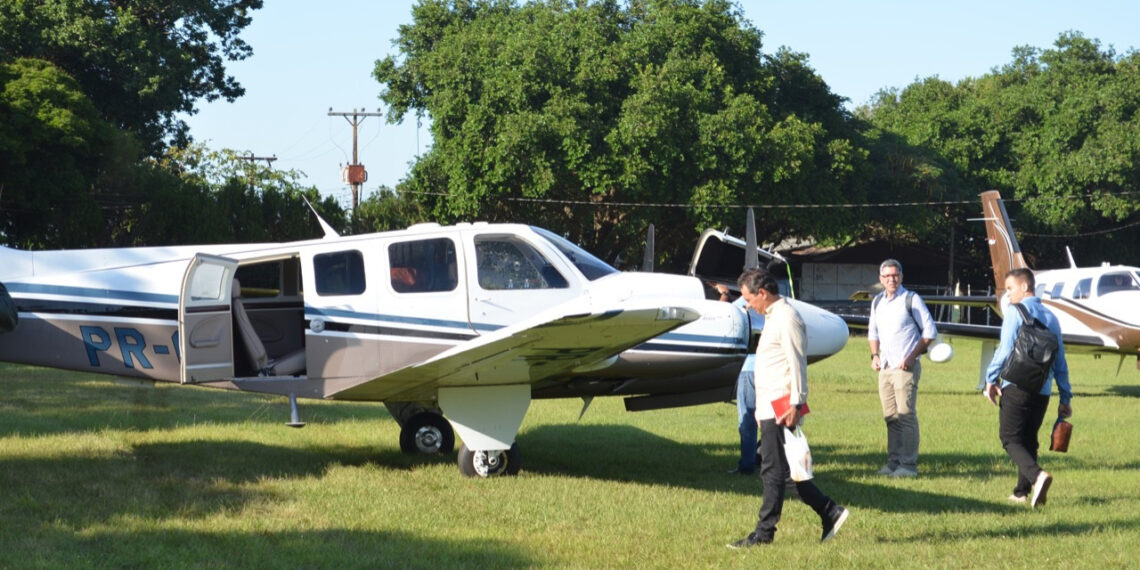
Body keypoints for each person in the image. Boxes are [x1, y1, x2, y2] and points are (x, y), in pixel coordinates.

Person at [729, 268, 849, 548]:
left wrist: (796, 403)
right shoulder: (774, 317)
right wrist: (761, 412)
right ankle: (829, 511)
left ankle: (764, 533)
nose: (748, 305)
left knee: (773, 470)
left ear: (763, 293)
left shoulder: (787, 318)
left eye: (749, 298)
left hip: (783, 405)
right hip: (772, 406)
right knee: (784, 472)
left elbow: (797, 363)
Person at [983, 268, 1072, 507]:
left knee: (1009, 438)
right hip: (1042, 390)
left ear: (1025, 287)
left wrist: (990, 379)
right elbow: (1060, 359)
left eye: (1010, 289)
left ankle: (1037, 476)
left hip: (1017, 386)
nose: (1008, 295)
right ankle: (1021, 493)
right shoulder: (1052, 316)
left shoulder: (1015, 312)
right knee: (1029, 439)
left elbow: (1005, 350)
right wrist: (1065, 395)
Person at [867, 259, 937, 478]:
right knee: (890, 417)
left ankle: (909, 465)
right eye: (887, 276)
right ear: (880, 279)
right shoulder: (877, 301)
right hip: (885, 367)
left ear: (901, 277)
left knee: (905, 415)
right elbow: (873, 332)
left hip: (905, 367)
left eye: (895, 275)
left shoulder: (911, 299)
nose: (891, 279)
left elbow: (930, 331)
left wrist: (911, 356)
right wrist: (875, 355)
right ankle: (893, 463)